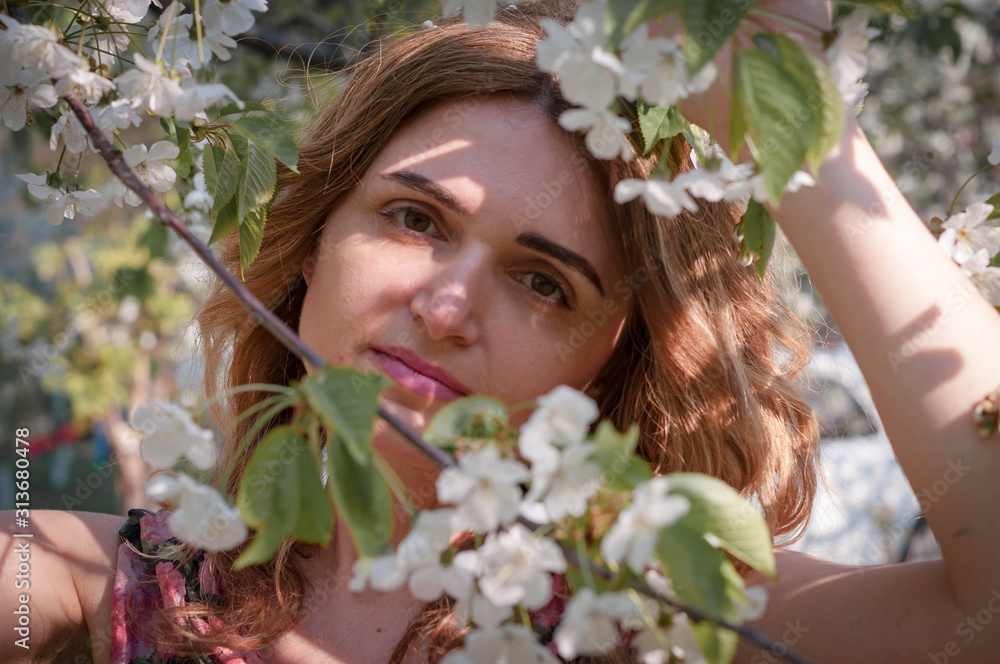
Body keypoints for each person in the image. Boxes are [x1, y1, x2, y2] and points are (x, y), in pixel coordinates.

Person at [3, 0, 999, 662]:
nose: (445, 306)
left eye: (541, 281)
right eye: (413, 218)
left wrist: (795, 127)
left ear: (614, 361)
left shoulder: (652, 615)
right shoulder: (109, 588)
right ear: (313, 240)